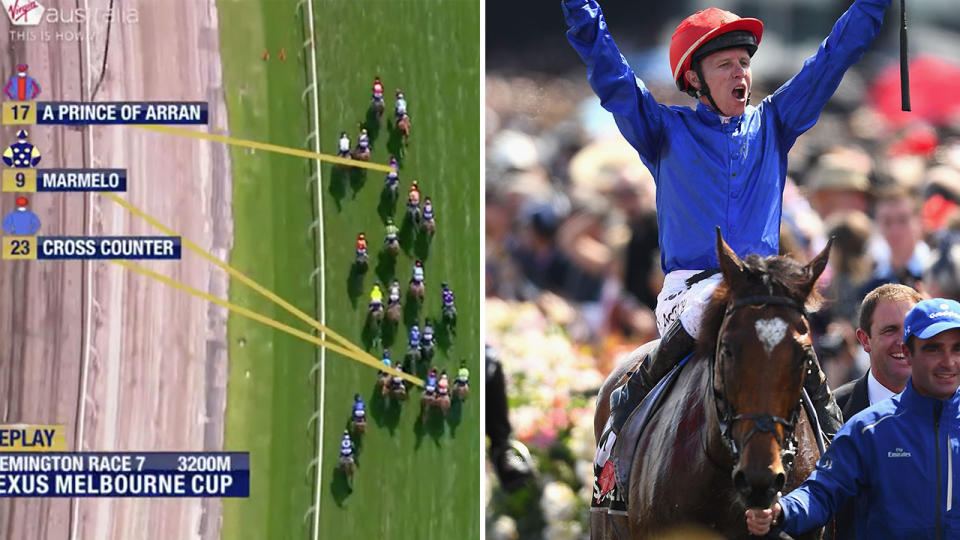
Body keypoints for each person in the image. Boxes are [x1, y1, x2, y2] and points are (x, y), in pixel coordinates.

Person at [563, 0, 893, 461]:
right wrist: (580, 10)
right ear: (694, 78)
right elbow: (611, 74)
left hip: (762, 291)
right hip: (690, 292)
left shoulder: (776, 121)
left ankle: (834, 446)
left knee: (793, 335)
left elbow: (832, 57)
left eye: (744, 63)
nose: (740, 73)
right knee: (711, 302)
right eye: (724, 64)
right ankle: (628, 406)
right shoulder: (662, 129)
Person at [746, 297, 960, 538]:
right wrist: (781, 510)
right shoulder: (867, 429)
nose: (949, 361)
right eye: (933, 348)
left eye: (957, 348)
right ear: (908, 353)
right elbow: (821, 493)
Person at [830, 284, 921, 539]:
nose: (903, 341)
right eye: (890, 330)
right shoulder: (833, 411)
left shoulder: (950, 410)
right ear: (864, 340)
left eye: (911, 330)